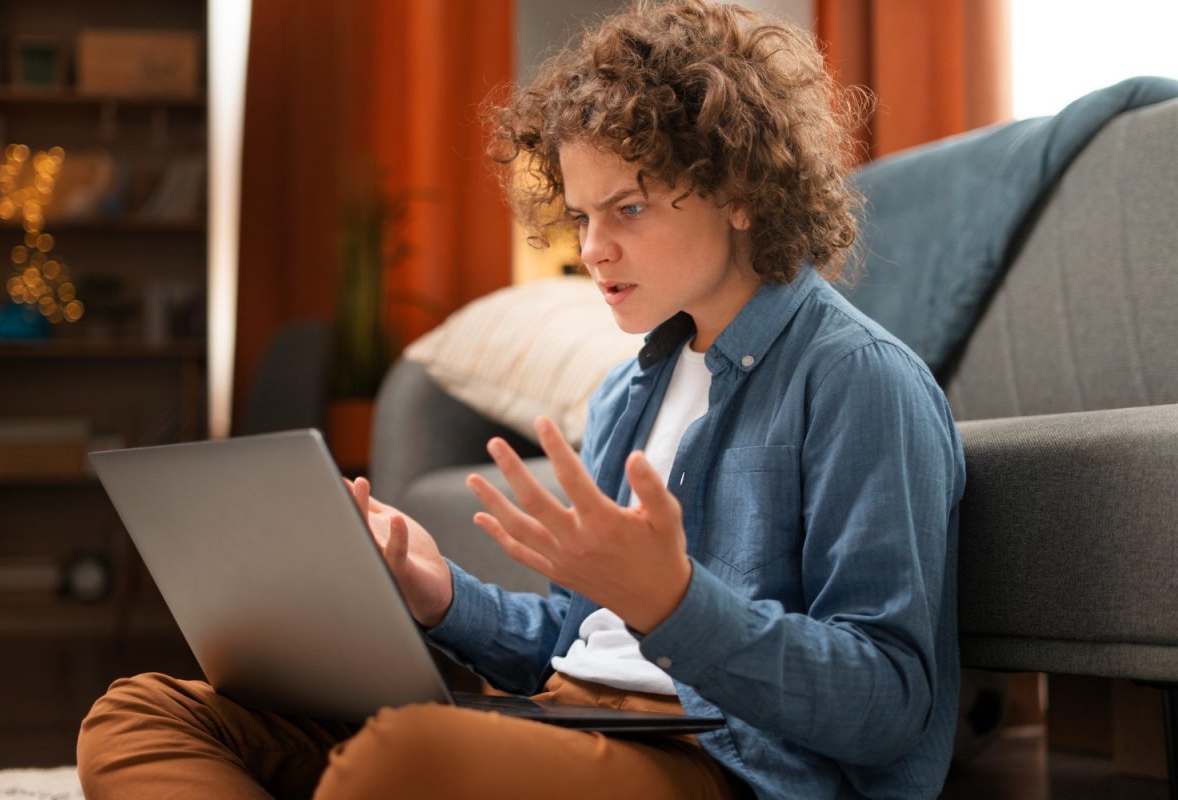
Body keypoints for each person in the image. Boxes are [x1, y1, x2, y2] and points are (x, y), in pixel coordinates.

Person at [76, 1, 964, 797]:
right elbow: (571, 644)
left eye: (629, 210)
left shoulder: (859, 380)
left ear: (737, 190)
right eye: (580, 217)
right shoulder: (631, 388)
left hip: (716, 762)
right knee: (141, 712)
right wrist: (437, 594)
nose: (593, 249)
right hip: (571, 720)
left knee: (401, 759)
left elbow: (890, 702)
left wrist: (678, 605)